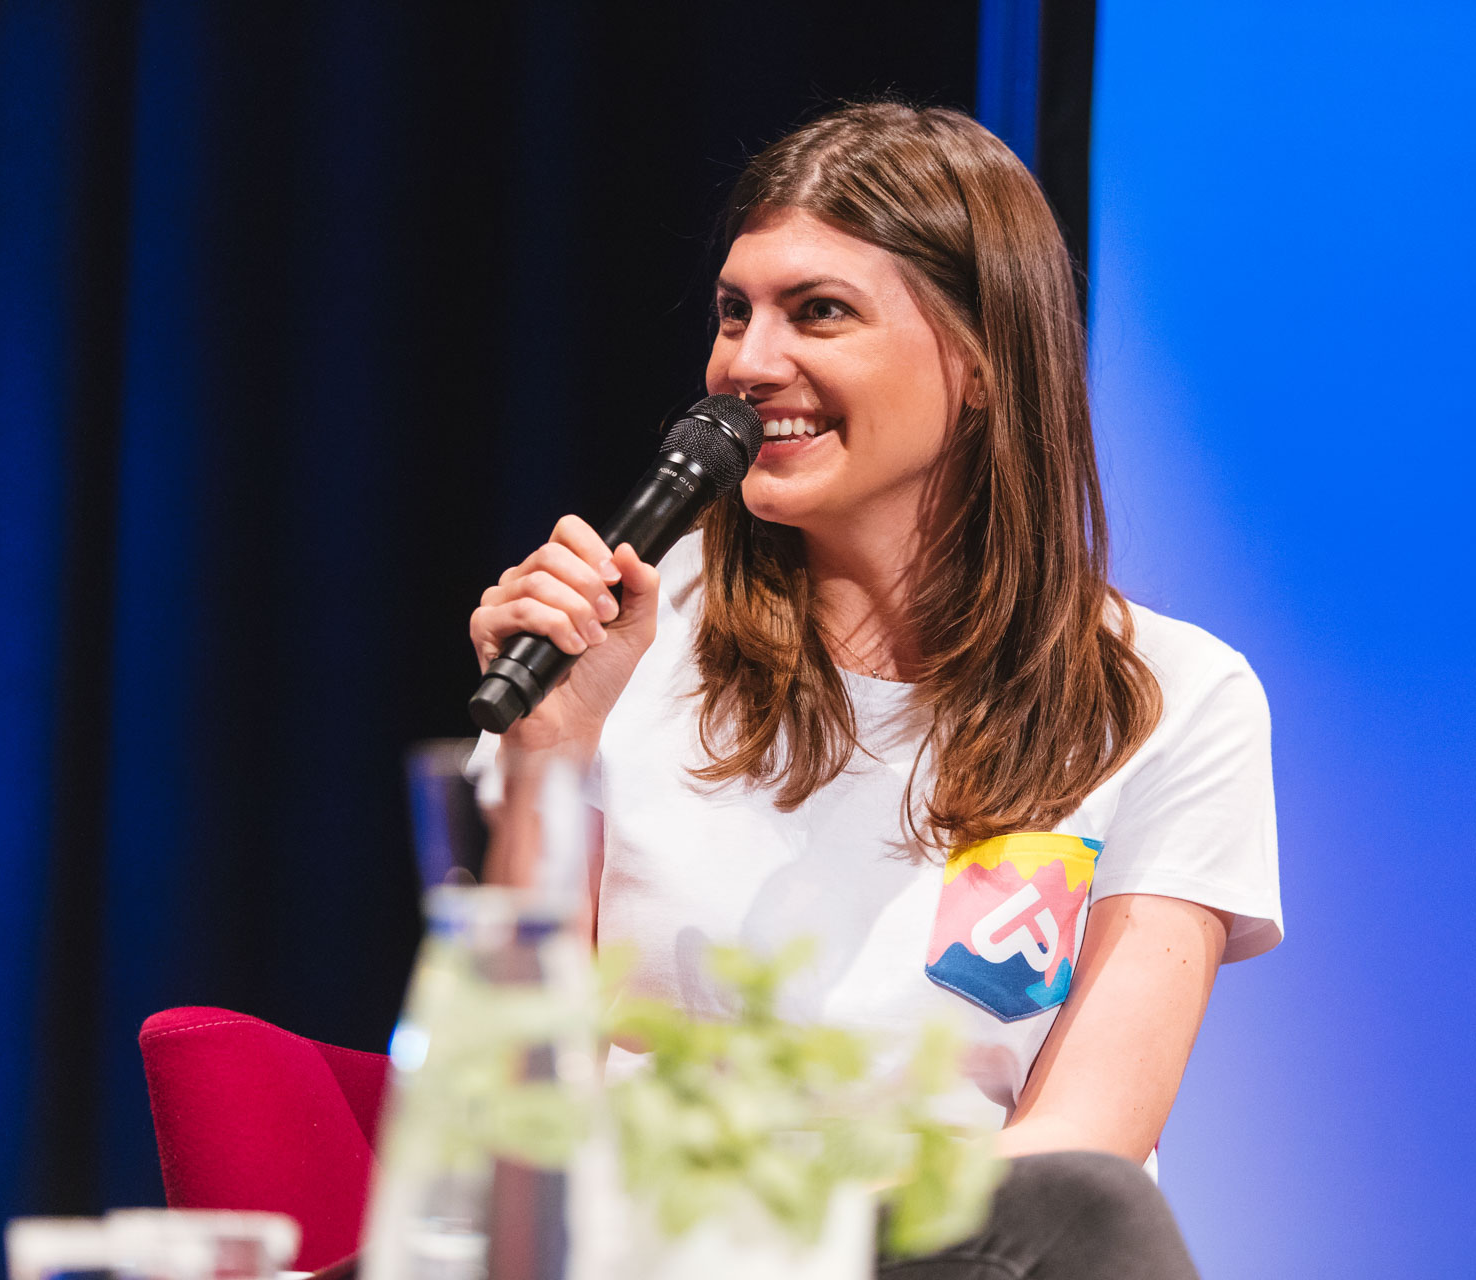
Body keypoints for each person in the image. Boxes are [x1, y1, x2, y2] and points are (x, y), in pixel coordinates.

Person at [468, 102, 1281, 1279]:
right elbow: (506, 1086)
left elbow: (1082, 1150)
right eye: (734, 311)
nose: (747, 365)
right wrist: (551, 747)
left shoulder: (1172, 697)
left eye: (819, 312)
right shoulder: (627, 640)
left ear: (982, 361)